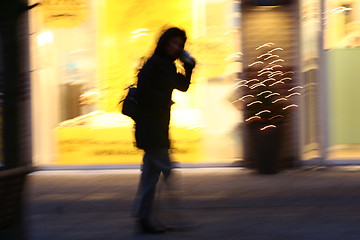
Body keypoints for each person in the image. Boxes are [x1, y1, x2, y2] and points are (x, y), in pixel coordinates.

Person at [133, 27, 196, 234]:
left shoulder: (168, 65)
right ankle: (173, 215)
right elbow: (142, 91)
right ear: (164, 42)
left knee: (150, 176)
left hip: (159, 126)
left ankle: (144, 218)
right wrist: (163, 101)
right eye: (173, 43)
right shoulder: (153, 64)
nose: (176, 47)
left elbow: (183, 86)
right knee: (166, 170)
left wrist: (189, 66)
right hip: (150, 128)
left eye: (179, 44)